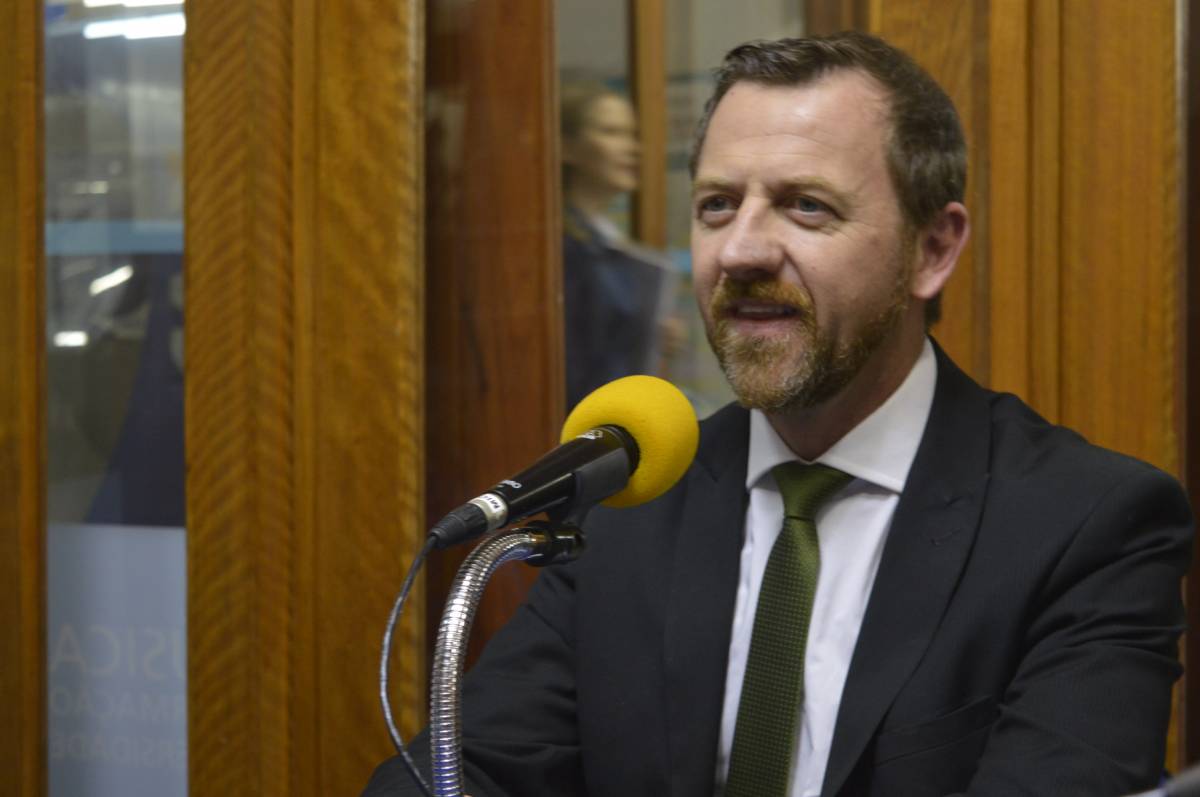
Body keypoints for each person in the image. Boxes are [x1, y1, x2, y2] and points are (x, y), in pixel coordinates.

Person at [365, 32, 1191, 796]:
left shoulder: (1086, 523)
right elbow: (473, 768)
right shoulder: (632, 497)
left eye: (806, 206)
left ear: (932, 249)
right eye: (717, 205)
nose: (740, 251)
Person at [559, 81, 675, 409]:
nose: (632, 148)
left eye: (631, 134)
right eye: (611, 132)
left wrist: (650, 336)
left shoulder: (606, 241)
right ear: (567, 147)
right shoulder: (565, 249)